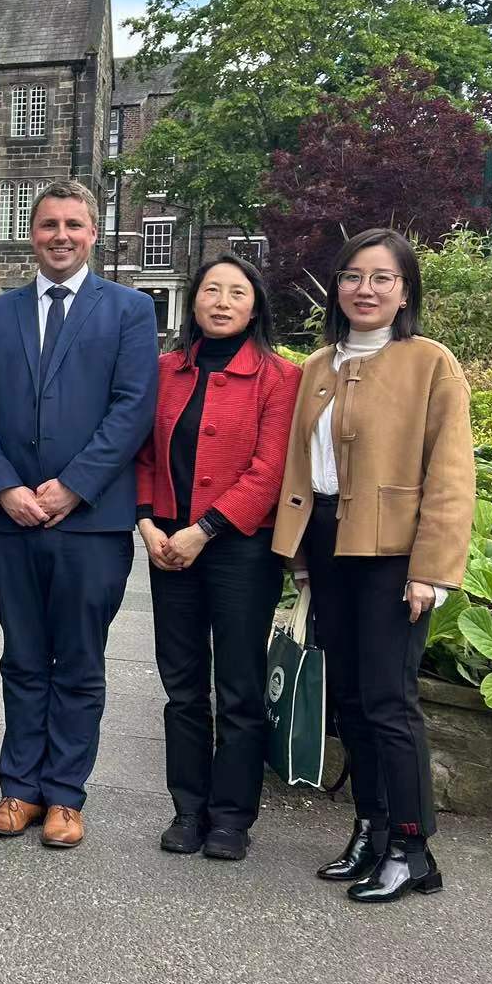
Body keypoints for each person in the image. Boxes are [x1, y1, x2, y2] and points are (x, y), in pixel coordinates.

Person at [273, 229, 473, 903]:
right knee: (351, 700)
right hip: (330, 546)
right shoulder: (318, 366)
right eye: (354, 276)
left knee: (391, 702)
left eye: (382, 277)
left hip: (394, 556)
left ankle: (413, 846)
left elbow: (451, 473)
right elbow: (303, 468)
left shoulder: (429, 363)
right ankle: (372, 827)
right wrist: (301, 556)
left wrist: (432, 569)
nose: (366, 289)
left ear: (405, 290)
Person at [0, 179, 158, 850]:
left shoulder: (129, 311)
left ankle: (66, 796)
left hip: (91, 524)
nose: (61, 235)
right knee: (21, 657)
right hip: (10, 521)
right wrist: (6, 487)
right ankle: (18, 789)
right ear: (33, 232)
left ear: (94, 232)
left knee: (77, 661)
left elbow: (131, 408)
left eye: (74, 224)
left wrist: (72, 487)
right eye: (49, 224)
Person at [135, 254, 300, 860]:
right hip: (168, 546)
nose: (222, 302)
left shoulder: (281, 377)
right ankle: (188, 808)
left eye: (237, 292)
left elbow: (269, 470)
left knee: (237, 685)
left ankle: (231, 817)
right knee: (181, 686)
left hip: (238, 550)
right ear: (194, 299)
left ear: (255, 304)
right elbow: (146, 455)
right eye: (211, 290)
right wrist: (149, 524)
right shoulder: (165, 370)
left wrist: (202, 530)